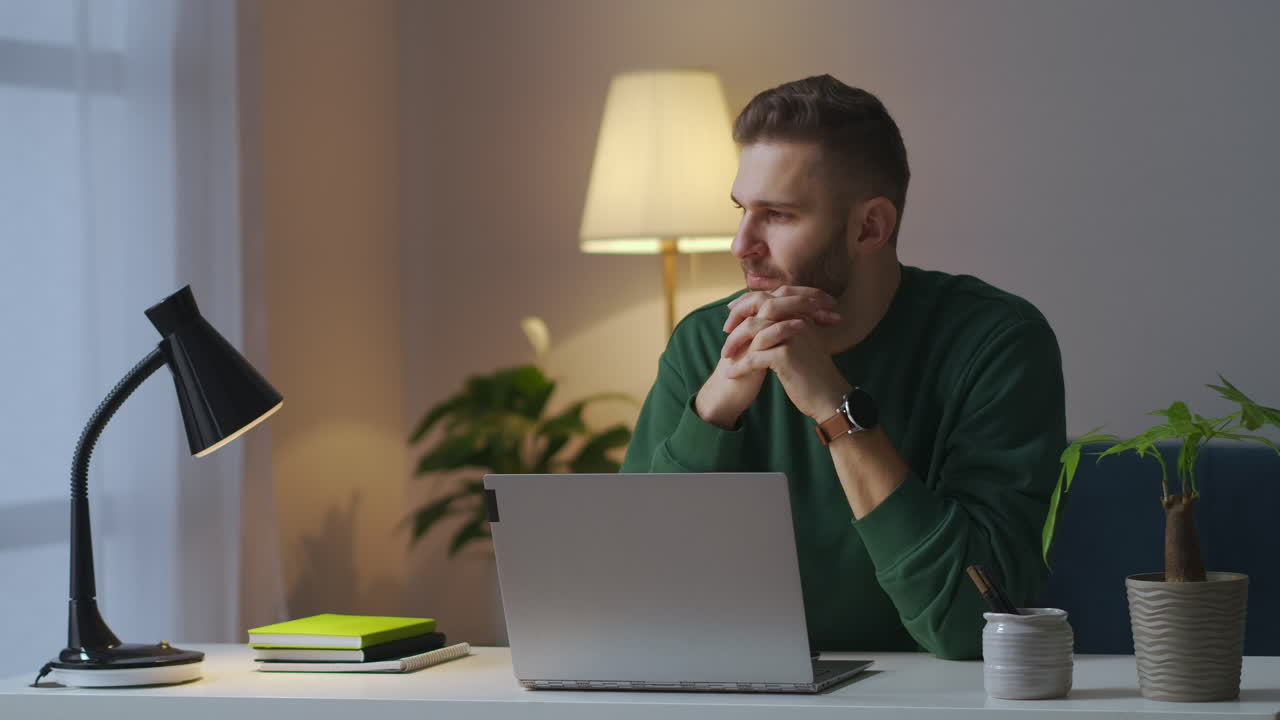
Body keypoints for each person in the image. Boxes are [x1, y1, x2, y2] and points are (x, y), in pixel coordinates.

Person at [620, 74, 1066, 660]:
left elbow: (972, 625)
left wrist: (834, 406)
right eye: (741, 210)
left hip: (933, 699)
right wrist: (712, 412)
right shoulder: (707, 343)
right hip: (735, 692)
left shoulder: (997, 343)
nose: (740, 243)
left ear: (869, 227)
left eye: (776, 215)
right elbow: (628, 598)